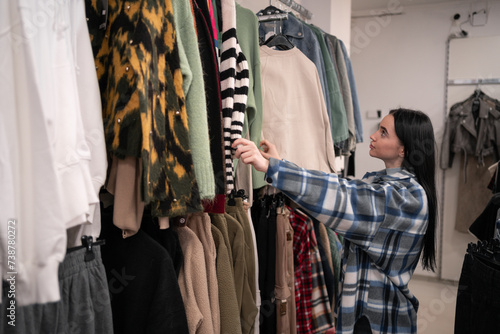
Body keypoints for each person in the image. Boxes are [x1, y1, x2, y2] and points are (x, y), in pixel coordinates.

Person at [232, 108, 437, 334]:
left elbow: (341, 195)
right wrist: (280, 163)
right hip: (366, 313)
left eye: (383, 132)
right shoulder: (386, 186)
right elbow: (337, 186)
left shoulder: (404, 199)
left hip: (377, 320)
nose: (373, 136)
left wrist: (274, 169)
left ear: (404, 149)